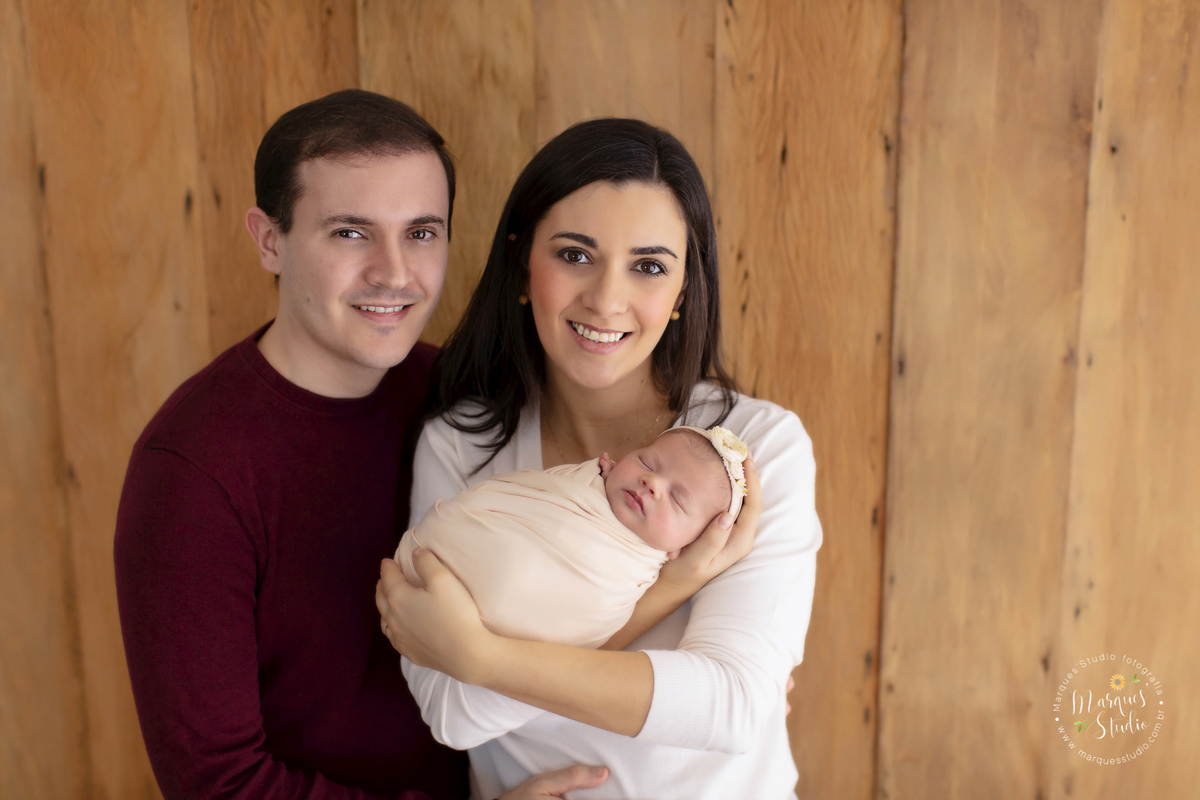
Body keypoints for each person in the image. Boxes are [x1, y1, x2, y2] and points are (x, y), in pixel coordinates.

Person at [114, 89, 596, 800]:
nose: (395, 272)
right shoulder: (192, 472)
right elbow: (216, 782)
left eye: (422, 232)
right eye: (350, 232)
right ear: (269, 240)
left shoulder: (463, 398)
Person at [376, 119, 822, 799]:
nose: (607, 299)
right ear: (523, 264)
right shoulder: (462, 447)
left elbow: (731, 706)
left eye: (648, 266)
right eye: (576, 255)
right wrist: (665, 595)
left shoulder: (754, 450)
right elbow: (454, 714)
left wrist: (481, 654)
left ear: (681, 292)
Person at [396, 426, 749, 650]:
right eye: (647, 463)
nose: (652, 484)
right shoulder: (578, 481)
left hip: (473, 624)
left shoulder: (635, 574)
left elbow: (582, 629)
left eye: (676, 498)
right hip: (445, 550)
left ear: (682, 548)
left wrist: (481, 656)